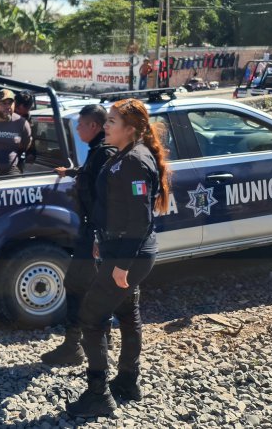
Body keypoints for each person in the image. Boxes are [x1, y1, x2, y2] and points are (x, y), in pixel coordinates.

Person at [65, 98, 171, 418]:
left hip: (130, 255)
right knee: (127, 312)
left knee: (91, 317)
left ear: (130, 129)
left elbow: (139, 219)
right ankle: (127, 381)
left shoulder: (135, 160)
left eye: (112, 121)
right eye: (107, 120)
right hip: (119, 250)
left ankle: (98, 394)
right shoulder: (123, 156)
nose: (106, 126)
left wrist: (122, 265)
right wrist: (102, 241)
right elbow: (116, 210)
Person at [42, 105, 116, 365]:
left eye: (80, 124)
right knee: (93, 286)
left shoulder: (104, 153)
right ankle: (96, 340)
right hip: (94, 231)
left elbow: (105, 197)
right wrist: (71, 172)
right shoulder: (98, 151)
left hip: (95, 233)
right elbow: (91, 176)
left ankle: (76, 347)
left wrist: (97, 236)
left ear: (94, 126)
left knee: (77, 285)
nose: (77, 128)